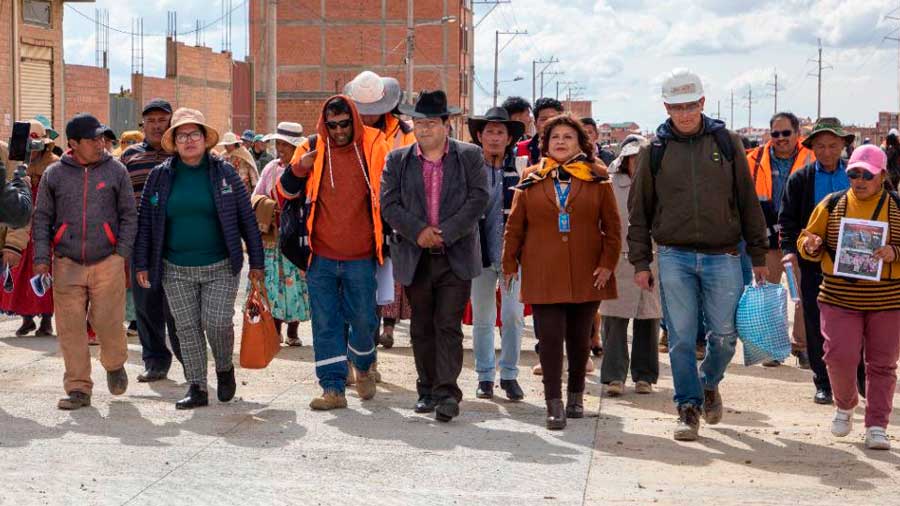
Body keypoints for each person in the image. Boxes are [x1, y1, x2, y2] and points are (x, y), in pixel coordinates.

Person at [628, 69, 769, 441]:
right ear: (666, 107)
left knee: (724, 336)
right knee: (680, 337)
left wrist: (758, 256)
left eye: (691, 105)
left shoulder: (727, 142)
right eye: (677, 107)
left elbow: (747, 202)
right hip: (674, 255)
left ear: (703, 103)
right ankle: (687, 406)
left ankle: (709, 382)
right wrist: (641, 263)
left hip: (724, 255)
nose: (685, 114)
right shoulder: (653, 150)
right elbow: (639, 212)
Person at [133, 108, 265, 410]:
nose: (189, 140)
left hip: (221, 266)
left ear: (205, 140)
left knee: (217, 321)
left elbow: (246, 218)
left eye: (195, 134)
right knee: (186, 327)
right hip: (174, 268)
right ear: (174, 141)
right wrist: (142, 262)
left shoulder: (224, 172)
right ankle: (196, 386)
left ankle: (223, 368)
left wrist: (257, 263)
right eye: (182, 135)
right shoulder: (160, 176)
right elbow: (146, 223)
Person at [503, 114, 621, 430]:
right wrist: (509, 264)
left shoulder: (597, 176)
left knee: (580, 338)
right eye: (555, 137)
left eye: (568, 136)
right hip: (543, 269)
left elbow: (612, 227)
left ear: (581, 143)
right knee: (550, 337)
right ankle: (553, 403)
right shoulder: (531, 177)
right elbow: (514, 226)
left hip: (588, 269)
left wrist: (608, 264)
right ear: (545, 143)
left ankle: (576, 396)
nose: (560, 141)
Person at [381, 90, 489, 422]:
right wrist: (419, 232)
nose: (423, 129)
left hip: (455, 254)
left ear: (446, 125)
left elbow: (479, 199)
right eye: (418, 123)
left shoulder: (469, 156)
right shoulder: (398, 160)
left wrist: (443, 231)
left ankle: (447, 394)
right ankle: (425, 389)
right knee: (421, 326)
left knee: (448, 325)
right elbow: (389, 203)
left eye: (430, 123)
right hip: (415, 255)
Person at [278, 95, 389, 410]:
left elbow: (390, 189)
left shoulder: (375, 145)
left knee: (365, 321)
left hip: (362, 257)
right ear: (324, 125)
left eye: (344, 124)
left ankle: (364, 364)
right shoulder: (310, 148)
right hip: (320, 257)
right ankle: (333, 388)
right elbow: (284, 193)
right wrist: (299, 169)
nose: (339, 131)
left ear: (354, 120)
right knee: (325, 324)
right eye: (332, 125)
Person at [33, 113, 138, 410]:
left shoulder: (116, 170)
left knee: (108, 324)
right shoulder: (55, 174)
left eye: (102, 138)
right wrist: (42, 258)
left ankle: (115, 364)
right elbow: (41, 218)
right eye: (92, 139)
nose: (100, 144)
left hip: (108, 261)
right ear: (73, 143)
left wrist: (121, 254)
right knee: (70, 329)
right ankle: (79, 388)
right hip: (66, 262)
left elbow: (130, 215)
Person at [798, 145, 900, 450]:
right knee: (838, 356)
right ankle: (845, 405)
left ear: (882, 175)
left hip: (888, 299)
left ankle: (877, 425)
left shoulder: (896, 206)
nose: (859, 179)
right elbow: (806, 239)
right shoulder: (832, 204)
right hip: (839, 296)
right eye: (854, 173)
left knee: (882, 364)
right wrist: (811, 245)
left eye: (867, 174)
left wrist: (895, 253)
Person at [779, 117, 865, 405]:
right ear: (812, 147)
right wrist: (790, 252)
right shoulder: (800, 180)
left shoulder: (859, 176)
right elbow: (788, 222)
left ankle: (861, 378)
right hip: (813, 263)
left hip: (855, 263)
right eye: (820, 146)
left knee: (858, 322)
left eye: (832, 145)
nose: (827, 151)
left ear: (843, 145)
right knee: (816, 324)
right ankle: (823, 381)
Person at [344, 70, 415, 349]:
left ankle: (367, 355)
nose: (369, 116)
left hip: (388, 226)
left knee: (376, 297)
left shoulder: (404, 134)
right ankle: (356, 355)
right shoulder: (344, 130)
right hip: (351, 223)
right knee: (352, 296)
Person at [466, 106, 526, 401]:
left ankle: (510, 374)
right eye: (488, 131)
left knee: (514, 315)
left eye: (500, 132)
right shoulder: (468, 167)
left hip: (513, 256)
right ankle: (485, 376)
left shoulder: (523, 168)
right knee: (483, 317)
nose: (494, 137)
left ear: (509, 138)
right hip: (479, 254)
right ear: (479, 135)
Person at [120, 98, 182, 382]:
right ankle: (155, 361)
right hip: (140, 242)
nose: (157, 126)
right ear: (142, 125)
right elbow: (116, 196)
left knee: (179, 307)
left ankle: (190, 361)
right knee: (146, 305)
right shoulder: (129, 155)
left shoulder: (183, 153)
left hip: (177, 242)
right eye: (151, 121)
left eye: (162, 120)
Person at [747, 112, 815, 368]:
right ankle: (773, 348)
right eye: (775, 134)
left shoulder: (811, 157)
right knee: (768, 294)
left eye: (786, 133)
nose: (781, 139)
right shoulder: (753, 159)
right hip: (766, 237)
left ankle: (802, 346)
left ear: (797, 133)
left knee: (803, 293)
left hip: (801, 236)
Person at [600, 134, 661, 397]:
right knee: (614, 319)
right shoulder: (610, 185)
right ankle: (614, 376)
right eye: (633, 158)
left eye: (642, 157)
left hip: (653, 258)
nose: (637, 162)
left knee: (648, 319)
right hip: (618, 259)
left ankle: (644, 376)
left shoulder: (661, 183)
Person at [253, 122, 310, 346]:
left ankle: (293, 331)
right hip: (272, 236)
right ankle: (275, 331)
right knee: (272, 284)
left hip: (296, 236)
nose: (280, 149)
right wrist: (268, 206)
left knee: (296, 283)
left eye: (285, 145)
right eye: (278, 144)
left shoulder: (305, 169)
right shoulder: (271, 168)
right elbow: (256, 195)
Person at [0, 120, 58, 337]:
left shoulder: (54, 165)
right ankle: (26, 318)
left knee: (43, 273)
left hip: (45, 229)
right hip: (20, 227)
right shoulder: (12, 164)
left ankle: (46, 320)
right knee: (17, 272)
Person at [517, 97, 564, 165]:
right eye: (544, 119)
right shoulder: (520, 149)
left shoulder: (570, 149)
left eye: (554, 119)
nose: (549, 123)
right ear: (535, 124)